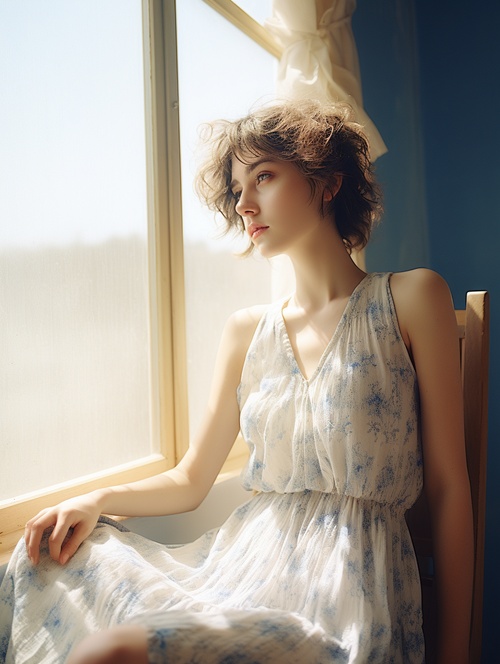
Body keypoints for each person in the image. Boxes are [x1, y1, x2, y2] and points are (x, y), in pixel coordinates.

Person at [0, 100, 473, 664]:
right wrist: (94, 498)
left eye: (264, 177)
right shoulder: (247, 331)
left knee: (116, 649)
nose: (244, 204)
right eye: (236, 189)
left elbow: (448, 489)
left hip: (346, 604)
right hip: (238, 576)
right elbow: (191, 478)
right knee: (42, 556)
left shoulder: (413, 298)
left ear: (328, 184)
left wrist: (456, 650)